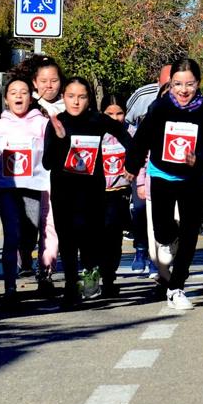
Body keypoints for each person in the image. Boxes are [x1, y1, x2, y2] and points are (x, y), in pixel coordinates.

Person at [127, 59, 203, 310]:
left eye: (189, 84)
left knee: (190, 236)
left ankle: (176, 288)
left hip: (193, 181)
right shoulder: (159, 108)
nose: (183, 90)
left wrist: (197, 160)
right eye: (178, 84)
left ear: (198, 84)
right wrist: (132, 167)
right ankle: (171, 235)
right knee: (163, 233)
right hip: (162, 177)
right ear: (170, 84)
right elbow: (141, 140)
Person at [42, 77, 133, 310]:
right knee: (68, 240)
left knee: (90, 239)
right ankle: (71, 287)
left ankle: (91, 272)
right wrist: (61, 141)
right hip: (63, 192)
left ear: (89, 99)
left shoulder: (98, 120)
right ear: (63, 97)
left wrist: (131, 165)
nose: (75, 102)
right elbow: (47, 162)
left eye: (81, 97)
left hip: (92, 192)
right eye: (71, 96)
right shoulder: (56, 122)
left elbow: (127, 139)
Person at [0, 75, 50, 307]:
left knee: (29, 234)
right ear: (6, 99)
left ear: (30, 98)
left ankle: (26, 259)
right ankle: (10, 288)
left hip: (34, 187)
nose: (19, 96)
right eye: (13, 92)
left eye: (23, 92)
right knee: (10, 237)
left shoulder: (41, 124)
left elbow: (56, 145)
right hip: (7, 188)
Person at [26, 55, 65, 297]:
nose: (49, 86)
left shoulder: (68, 106)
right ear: (34, 82)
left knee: (51, 227)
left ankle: (45, 272)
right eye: (43, 81)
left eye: (54, 80)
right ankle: (23, 260)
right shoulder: (23, 105)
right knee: (28, 227)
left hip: (55, 179)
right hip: (26, 179)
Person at [98, 94, 133, 299]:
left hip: (120, 192)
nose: (114, 118)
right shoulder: (96, 132)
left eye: (119, 113)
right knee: (98, 236)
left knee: (114, 237)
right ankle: (97, 274)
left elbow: (140, 153)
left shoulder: (131, 132)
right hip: (97, 192)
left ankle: (109, 278)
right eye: (109, 113)